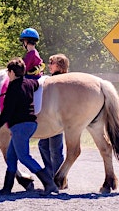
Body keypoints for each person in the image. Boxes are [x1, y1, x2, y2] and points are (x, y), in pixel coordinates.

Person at [0, 58, 58, 196]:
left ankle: (49, 183)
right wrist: (38, 72)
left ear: (11, 72)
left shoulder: (12, 88)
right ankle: (7, 188)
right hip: (30, 124)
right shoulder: (29, 83)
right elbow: (37, 83)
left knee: (24, 157)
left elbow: (7, 111)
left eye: (8, 72)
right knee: (11, 157)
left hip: (20, 126)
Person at [38, 54, 69, 183]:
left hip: (56, 120)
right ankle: (52, 174)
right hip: (49, 119)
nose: (49, 65)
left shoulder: (62, 81)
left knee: (55, 149)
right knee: (43, 145)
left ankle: (59, 178)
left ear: (59, 66)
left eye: (52, 63)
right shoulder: (52, 79)